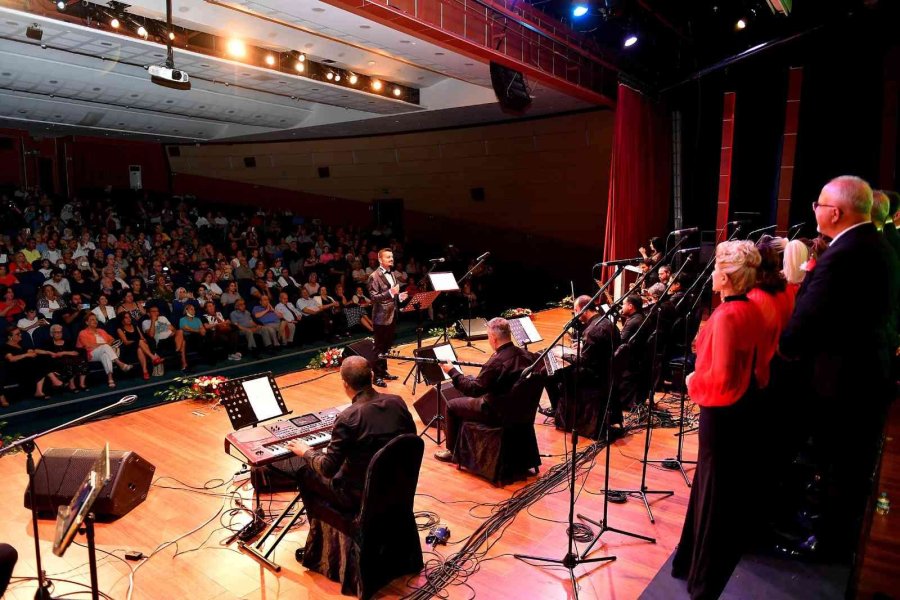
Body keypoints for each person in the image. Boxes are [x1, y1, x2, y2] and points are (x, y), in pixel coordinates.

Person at [779, 176, 900, 559]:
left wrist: (786, 346)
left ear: (836, 211)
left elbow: (809, 318)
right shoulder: (876, 245)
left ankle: (827, 543)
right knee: (846, 464)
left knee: (839, 464)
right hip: (866, 373)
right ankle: (832, 533)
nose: (813, 210)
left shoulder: (845, 255)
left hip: (845, 381)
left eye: (818, 203)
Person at [671, 240, 766, 600]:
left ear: (725, 277)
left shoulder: (727, 316)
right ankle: (694, 563)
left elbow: (723, 377)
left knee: (711, 491)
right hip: (740, 409)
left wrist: (693, 381)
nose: (710, 274)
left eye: (714, 269)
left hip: (722, 411)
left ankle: (702, 578)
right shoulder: (751, 309)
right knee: (714, 488)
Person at [281, 356, 416, 513]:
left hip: (359, 495)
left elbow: (327, 469)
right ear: (371, 376)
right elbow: (409, 441)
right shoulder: (397, 402)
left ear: (345, 383)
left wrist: (306, 452)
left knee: (306, 474)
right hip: (397, 485)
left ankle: (328, 534)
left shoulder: (348, 418)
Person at [434, 317, 535, 462]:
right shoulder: (527, 355)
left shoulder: (496, 362)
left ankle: (452, 451)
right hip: (522, 411)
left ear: (493, 338)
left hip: (497, 412)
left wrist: (452, 372)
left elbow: (473, 390)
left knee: (452, 405)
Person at [545, 295, 622, 438]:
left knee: (550, 373)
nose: (576, 314)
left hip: (594, 377)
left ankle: (561, 413)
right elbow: (600, 347)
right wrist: (582, 345)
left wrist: (563, 354)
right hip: (606, 372)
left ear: (584, 310)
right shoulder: (607, 323)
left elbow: (583, 360)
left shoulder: (592, 330)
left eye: (576, 311)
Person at [367, 248, 409, 387]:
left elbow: (394, 293)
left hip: (392, 314)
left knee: (386, 346)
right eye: (388, 257)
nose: (391, 259)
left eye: (392, 257)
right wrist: (391, 293)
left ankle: (383, 371)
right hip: (380, 316)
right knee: (378, 347)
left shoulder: (393, 274)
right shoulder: (374, 276)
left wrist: (399, 296)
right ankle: (376, 377)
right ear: (380, 260)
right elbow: (374, 297)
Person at [3, 327, 63, 398]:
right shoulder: (5, 347)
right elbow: (11, 359)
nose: (20, 335)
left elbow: (34, 350)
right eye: (17, 334)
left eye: (20, 333)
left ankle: (40, 391)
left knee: (42, 358)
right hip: (17, 369)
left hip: (29, 366)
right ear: (10, 337)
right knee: (39, 361)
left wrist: (48, 352)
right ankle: (53, 378)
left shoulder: (21, 344)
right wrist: (26, 355)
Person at [77, 313, 133, 388]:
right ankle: (120, 364)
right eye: (92, 320)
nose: (95, 321)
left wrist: (106, 344)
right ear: (87, 322)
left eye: (96, 319)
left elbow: (112, 339)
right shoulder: (83, 333)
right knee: (105, 347)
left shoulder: (101, 331)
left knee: (105, 355)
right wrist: (104, 345)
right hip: (91, 353)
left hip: (104, 351)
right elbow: (88, 346)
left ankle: (110, 379)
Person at [40, 323, 88, 391]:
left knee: (81, 361)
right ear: (52, 333)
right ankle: (72, 385)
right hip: (56, 362)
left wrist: (63, 352)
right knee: (68, 362)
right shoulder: (48, 343)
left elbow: (75, 352)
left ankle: (82, 384)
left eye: (60, 332)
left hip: (70, 358)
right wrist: (51, 353)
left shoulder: (68, 341)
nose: (59, 334)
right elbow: (40, 351)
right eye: (56, 332)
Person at [117, 311, 162, 380]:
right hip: (129, 347)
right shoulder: (120, 329)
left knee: (140, 348)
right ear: (122, 320)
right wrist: (137, 341)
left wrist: (143, 340)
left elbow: (142, 337)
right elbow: (126, 342)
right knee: (139, 342)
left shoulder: (135, 326)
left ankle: (145, 371)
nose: (129, 319)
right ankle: (153, 357)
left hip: (140, 347)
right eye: (126, 318)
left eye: (129, 317)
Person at [142, 305, 188, 371]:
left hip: (171, 338)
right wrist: (153, 321)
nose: (156, 313)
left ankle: (177, 351)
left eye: (157, 311)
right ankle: (183, 363)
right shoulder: (145, 322)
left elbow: (174, 330)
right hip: (161, 342)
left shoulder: (163, 318)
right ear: (148, 313)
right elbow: (151, 335)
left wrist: (172, 332)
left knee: (180, 331)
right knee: (183, 342)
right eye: (154, 311)